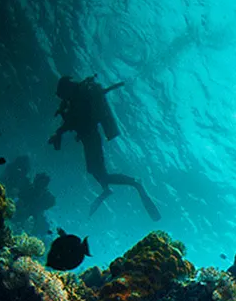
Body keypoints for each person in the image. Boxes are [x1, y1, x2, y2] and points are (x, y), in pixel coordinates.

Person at [48, 75, 161, 221]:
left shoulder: (80, 98)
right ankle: (107, 188)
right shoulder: (77, 98)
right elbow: (74, 121)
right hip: (88, 138)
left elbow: (76, 121)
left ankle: (134, 182)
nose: (61, 97)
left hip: (92, 138)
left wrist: (60, 132)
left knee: (101, 173)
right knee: (94, 171)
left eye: (62, 93)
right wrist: (60, 132)